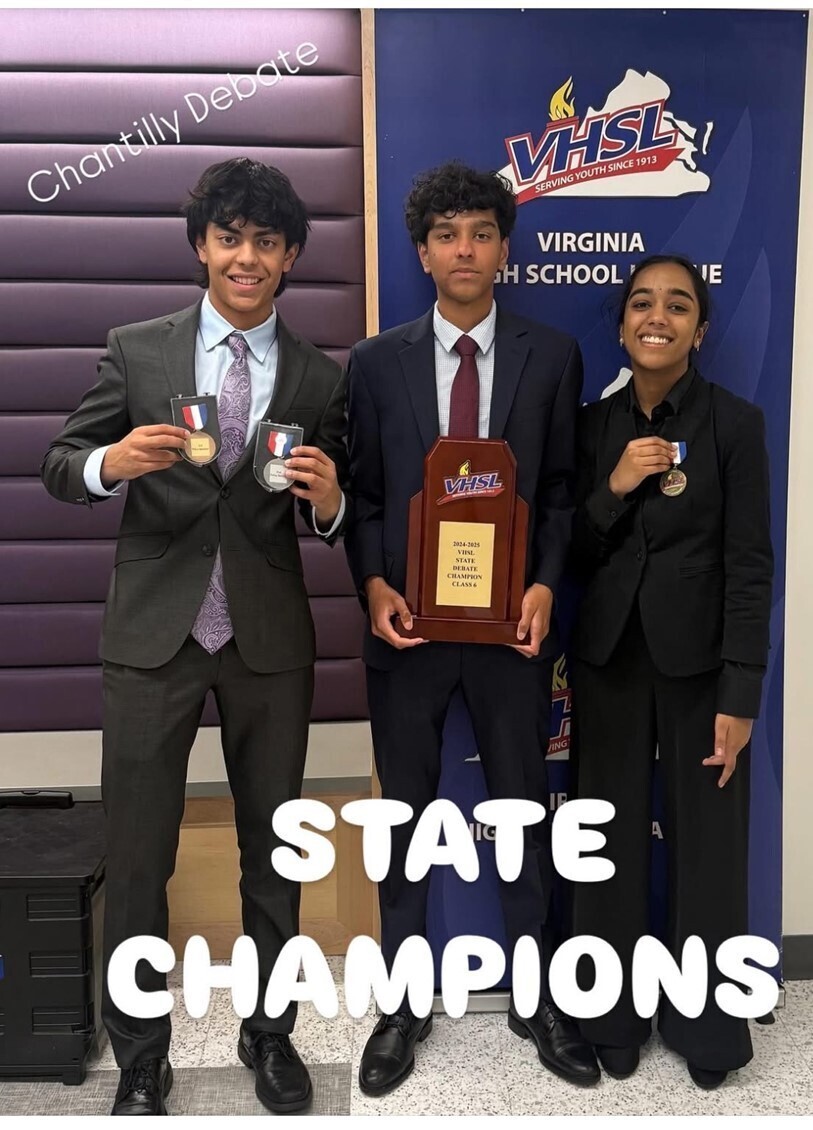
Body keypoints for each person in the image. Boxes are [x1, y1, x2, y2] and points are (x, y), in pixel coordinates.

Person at [40, 158, 349, 1115]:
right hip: (152, 638)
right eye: (229, 239)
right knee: (138, 855)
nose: (245, 258)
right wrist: (109, 460)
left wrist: (333, 505)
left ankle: (270, 1036)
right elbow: (58, 464)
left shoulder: (317, 375)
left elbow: (336, 509)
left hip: (266, 642)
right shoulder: (136, 350)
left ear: (290, 255)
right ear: (201, 247)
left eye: (265, 242)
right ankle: (139, 1052)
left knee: (273, 853)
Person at [344, 161, 599, 1096]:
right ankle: (403, 1000)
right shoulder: (375, 362)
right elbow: (366, 495)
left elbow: (563, 492)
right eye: (447, 233)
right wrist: (372, 583)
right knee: (404, 821)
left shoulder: (552, 353)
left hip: (511, 632)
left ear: (504, 248)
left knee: (522, 814)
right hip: (407, 628)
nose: (464, 249)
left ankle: (538, 998)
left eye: (481, 232)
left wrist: (542, 584)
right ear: (422, 251)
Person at [568, 255, 773, 1089]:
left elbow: (749, 566)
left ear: (699, 327)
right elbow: (568, 555)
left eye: (678, 305)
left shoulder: (734, 423)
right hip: (608, 665)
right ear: (620, 326)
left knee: (708, 857)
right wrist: (612, 487)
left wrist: (741, 691)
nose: (658, 317)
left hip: (699, 675)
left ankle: (709, 1028)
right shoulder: (589, 428)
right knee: (607, 849)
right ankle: (608, 1017)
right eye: (641, 304)